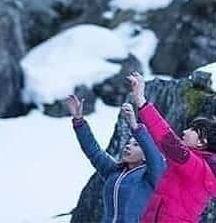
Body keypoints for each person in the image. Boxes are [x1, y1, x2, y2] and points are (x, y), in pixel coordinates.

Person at [127, 72, 216, 223]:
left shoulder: (197, 168)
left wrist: (141, 101)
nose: (185, 131)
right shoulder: (192, 165)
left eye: (192, 130)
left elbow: (168, 140)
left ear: (202, 142)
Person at [66, 95, 166, 223]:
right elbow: (93, 151)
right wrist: (79, 121)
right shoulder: (113, 171)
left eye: (136, 145)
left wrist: (135, 126)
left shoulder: (152, 176)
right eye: (128, 143)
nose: (128, 146)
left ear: (146, 154)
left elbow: (153, 154)